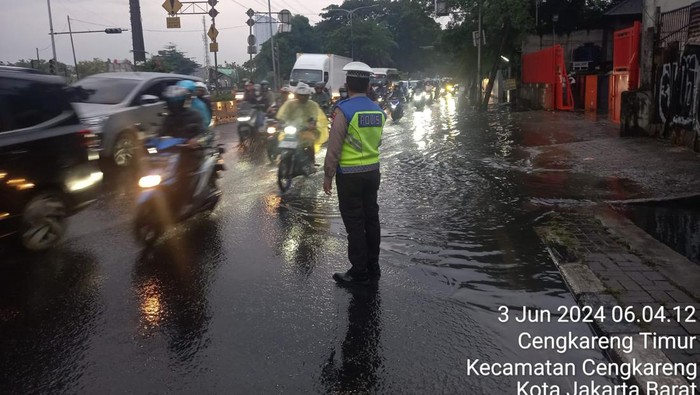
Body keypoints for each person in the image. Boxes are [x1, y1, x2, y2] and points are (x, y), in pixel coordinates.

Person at [323, 62, 385, 285]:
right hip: (372, 172)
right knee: (371, 219)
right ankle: (373, 265)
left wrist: (328, 175)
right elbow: (377, 141)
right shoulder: (378, 111)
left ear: (347, 84)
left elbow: (334, 146)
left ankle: (359, 270)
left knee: (355, 223)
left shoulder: (344, 110)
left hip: (349, 175)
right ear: (368, 85)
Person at [160, 85, 207, 209]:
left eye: (175, 102)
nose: (173, 105)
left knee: (182, 175)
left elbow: (204, 133)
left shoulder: (194, 115)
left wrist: (195, 140)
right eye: (171, 102)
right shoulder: (168, 119)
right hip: (171, 155)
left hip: (191, 153)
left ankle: (187, 201)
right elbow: (159, 135)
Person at [276, 82, 329, 164]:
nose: (302, 97)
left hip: (306, 130)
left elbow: (314, 116)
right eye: (300, 95)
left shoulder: (313, 105)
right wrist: (280, 123)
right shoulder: (289, 104)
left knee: (310, 142)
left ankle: (311, 162)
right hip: (292, 130)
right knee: (281, 140)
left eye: (304, 95)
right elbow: (283, 115)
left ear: (308, 95)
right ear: (297, 95)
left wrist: (312, 124)